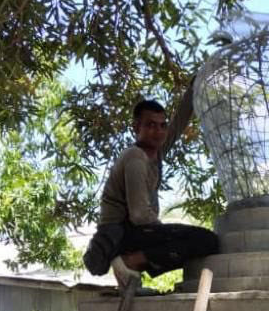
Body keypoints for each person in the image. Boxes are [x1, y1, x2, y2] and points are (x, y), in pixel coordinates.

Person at [83, 94, 218, 287]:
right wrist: (164, 236)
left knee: (197, 242)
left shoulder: (156, 151)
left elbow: (178, 124)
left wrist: (193, 89)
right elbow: (139, 215)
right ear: (136, 128)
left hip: (133, 230)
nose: (158, 131)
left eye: (162, 125)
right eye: (150, 125)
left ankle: (132, 265)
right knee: (206, 240)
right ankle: (129, 261)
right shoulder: (135, 158)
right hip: (122, 233)